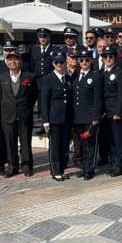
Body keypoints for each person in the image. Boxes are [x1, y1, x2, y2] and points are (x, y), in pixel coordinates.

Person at [0, 49, 38, 178]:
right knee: (10, 142)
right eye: (10, 59)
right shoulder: (1, 78)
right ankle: (12, 167)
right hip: (8, 115)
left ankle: (27, 166)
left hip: (24, 114)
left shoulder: (29, 76)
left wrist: (26, 107)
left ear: (20, 61)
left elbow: (33, 95)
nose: (12, 62)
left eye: (15, 59)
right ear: (6, 62)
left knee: (25, 142)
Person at [40, 52, 73, 182]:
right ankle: (55, 171)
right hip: (54, 118)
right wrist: (45, 121)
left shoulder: (68, 78)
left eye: (61, 62)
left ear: (65, 63)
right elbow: (44, 102)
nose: (59, 65)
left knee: (64, 146)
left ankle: (62, 169)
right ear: (53, 64)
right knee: (55, 146)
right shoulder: (48, 79)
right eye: (56, 62)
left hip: (66, 117)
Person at [72, 50, 102, 180]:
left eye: (87, 60)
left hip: (90, 116)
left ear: (91, 61)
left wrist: (95, 116)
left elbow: (97, 98)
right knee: (81, 144)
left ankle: (90, 169)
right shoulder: (75, 75)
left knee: (90, 144)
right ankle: (84, 167)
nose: (84, 62)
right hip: (77, 116)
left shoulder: (96, 76)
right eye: (81, 60)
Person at [100, 45, 122, 177]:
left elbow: (121, 94)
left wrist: (118, 111)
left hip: (115, 112)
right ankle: (113, 164)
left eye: (111, 56)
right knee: (109, 140)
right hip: (104, 113)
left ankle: (119, 166)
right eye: (105, 57)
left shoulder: (119, 72)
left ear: (115, 58)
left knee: (117, 140)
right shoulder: (101, 73)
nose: (108, 59)